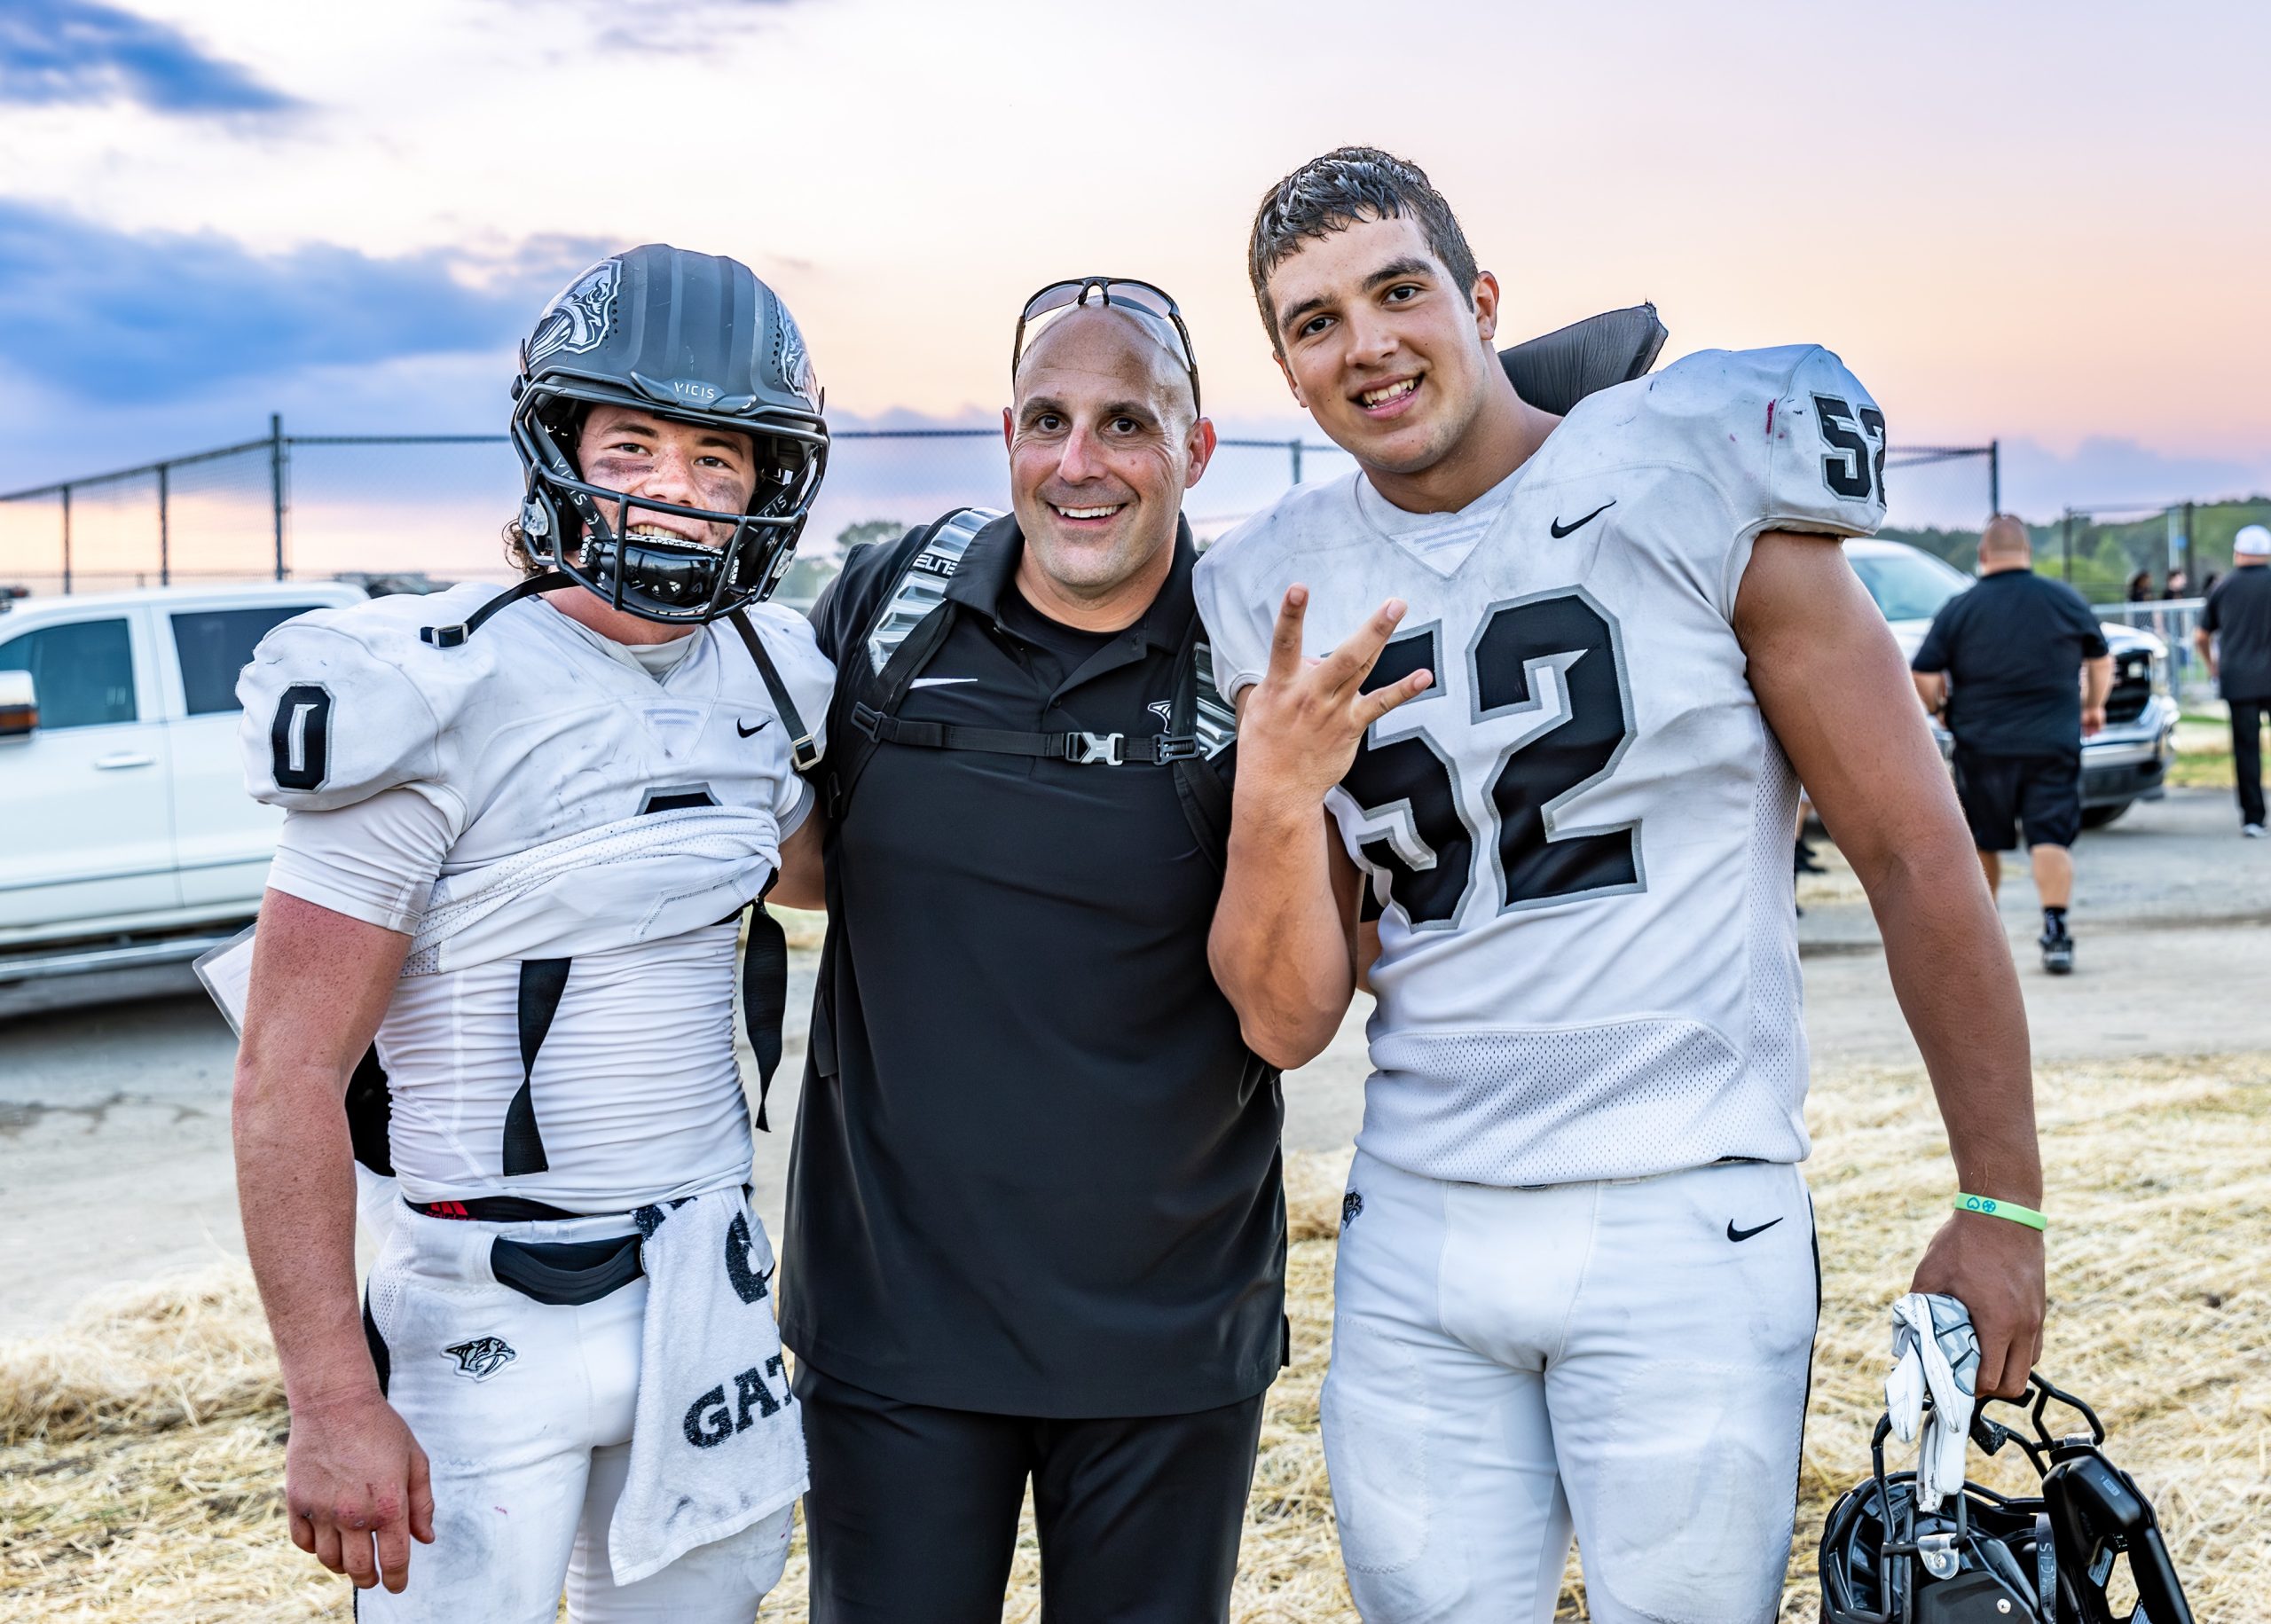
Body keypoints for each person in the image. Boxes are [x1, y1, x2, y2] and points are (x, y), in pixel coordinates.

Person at [1194, 147, 2047, 1623]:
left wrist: (2002, 1200)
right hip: (1416, 1220)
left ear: (1481, 296)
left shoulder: (1690, 463)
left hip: (1686, 1211)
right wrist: (1271, 799)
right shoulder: (1267, 586)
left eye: (1399, 290)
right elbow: (1289, 1019)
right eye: (1316, 321)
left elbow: (1914, 853)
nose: (1368, 343)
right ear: (1286, 364)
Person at [229, 246, 834, 1621]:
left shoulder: (771, 672)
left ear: (769, 485)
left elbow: (819, 880)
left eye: (717, 460)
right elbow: (284, 1074)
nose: (674, 491)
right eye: (634, 442)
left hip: (706, 1286)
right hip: (478, 1301)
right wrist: (328, 1396)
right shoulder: (425, 687)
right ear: (561, 445)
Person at [1912, 514, 2113, 973]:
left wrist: (1942, 710)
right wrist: (2092, 706)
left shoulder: (1961, 607)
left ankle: (1989, 936)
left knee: (1983, 840)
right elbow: (2101, 660)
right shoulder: (2064, 600)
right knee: (2050, 837)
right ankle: (2056, 931)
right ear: (2027, 554)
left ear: (1983, 557)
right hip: (2053, 742)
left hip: (1982, 745)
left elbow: (1922, 672)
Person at [2196, 522, 2271, 836]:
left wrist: (2213, 666)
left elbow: (2201, 635)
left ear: (2238, 552)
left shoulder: (2223, 588)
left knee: (2246, 749)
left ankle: (2253, 818)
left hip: (2238, 679)